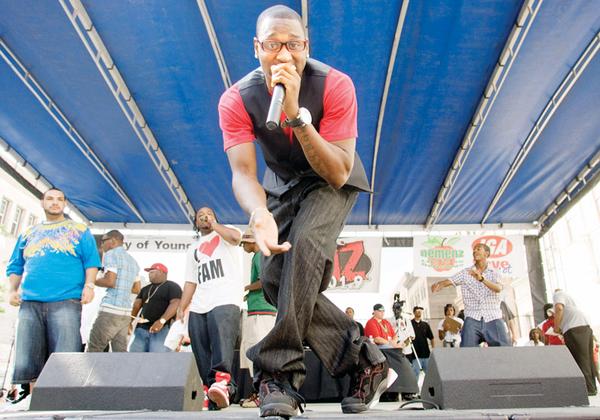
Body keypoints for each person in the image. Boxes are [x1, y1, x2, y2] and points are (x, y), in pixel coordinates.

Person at [219, 4, 394, 417]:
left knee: (304, 247)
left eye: (293, 45)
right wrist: (258, 212)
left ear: (307, 45)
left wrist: (297, 116)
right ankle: (364, 361)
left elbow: (337, 171)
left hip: (330, 176)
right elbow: (243, 172)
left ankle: (277, 375)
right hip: (279, 185)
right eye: (274, 45)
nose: (284, 55)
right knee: (278, 280)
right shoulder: (236, 99)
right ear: (256, 47)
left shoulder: (335, 85)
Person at [6, 188, 100, 406]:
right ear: (42, 202)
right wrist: (11, 290)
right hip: (30, 301)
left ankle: (62, 403)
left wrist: (90, 285)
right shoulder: (28, 232)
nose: (55, 202)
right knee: (30, 356)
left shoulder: (79, 229)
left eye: (59, 199)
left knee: (65, 357)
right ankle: (35, 402)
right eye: (50, 198)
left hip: (66, 300)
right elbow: (15, 265)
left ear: (65, 204)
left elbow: (91, 261)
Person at [178, 207, 243, 410]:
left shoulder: (226, 231)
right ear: (196, 223)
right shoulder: (193, 248)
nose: (204, 216)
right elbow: (190, 281)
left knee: (222, 344)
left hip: (225, 297)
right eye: (200, 216)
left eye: (209, 214)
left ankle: (223, 383)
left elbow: (235, 239)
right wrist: (182, 306)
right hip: (199, 302)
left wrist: (214, 224)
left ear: (215, 217)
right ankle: (209, 389)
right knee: (200, 345)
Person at [431, 243, 510, 347]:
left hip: (493, 317)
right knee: (467, 352)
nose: (475, 251)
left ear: (487, 253)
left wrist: (481, 279)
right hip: (472, 318)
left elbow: (498, 288)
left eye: (478, 249)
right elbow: (450, 280)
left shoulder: (495, 272)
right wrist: (440, 284)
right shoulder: (466, 273)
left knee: (505, 350)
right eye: (474, 250)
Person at [239, 230, 277, 408]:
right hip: (259, 309)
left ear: (253, 242)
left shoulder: (259, 255)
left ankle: (262, 393)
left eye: (245, 243)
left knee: (258, 354)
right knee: (252, 353)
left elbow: (264, 281)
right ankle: (260, 391)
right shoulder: (259, 255)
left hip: (262, 311)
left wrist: (244, 288)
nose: (243, 246)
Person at [87, 230, 140, 352]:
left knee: (94, 350)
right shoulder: (132, 261)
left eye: (103, 241)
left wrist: (91, 280)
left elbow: (110, 281)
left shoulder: (111, 254)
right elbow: (137, 289)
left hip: (110, 309)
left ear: (113, 241)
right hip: (125, 313)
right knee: (119, 354)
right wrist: (123, 285)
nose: (101, 245)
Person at [129, 263, 182, 353]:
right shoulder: (145, 288)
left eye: (152, 271)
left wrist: (161, 321)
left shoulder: (172, 286)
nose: (149, 274)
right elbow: (136, 305)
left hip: (162, 329)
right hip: (141, 329)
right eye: (149, 272)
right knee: (134, 358)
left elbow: (175, 303)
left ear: (161, 272)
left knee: (157, 359)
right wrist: (130, 321)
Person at [553, 289, 597, 396]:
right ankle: (591, 388)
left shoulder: (558, 294)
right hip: (584, 326)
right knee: (587, 358)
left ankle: (587, 389)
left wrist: (556, 327)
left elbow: (559, 308)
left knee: (579, 358)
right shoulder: (572, 300)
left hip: (573, 327)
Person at [408, 306, 434, 378]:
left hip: (426, 354)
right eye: (417, 311)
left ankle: (431, 389)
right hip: (415, 355)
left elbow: (431, 338)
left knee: (429, 375)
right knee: (415, 375)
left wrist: (433, 349)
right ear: (414, 312)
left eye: (420, 311)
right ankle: (415, 389)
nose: (419, 312)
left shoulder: (425, 325)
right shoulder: (410, 324)